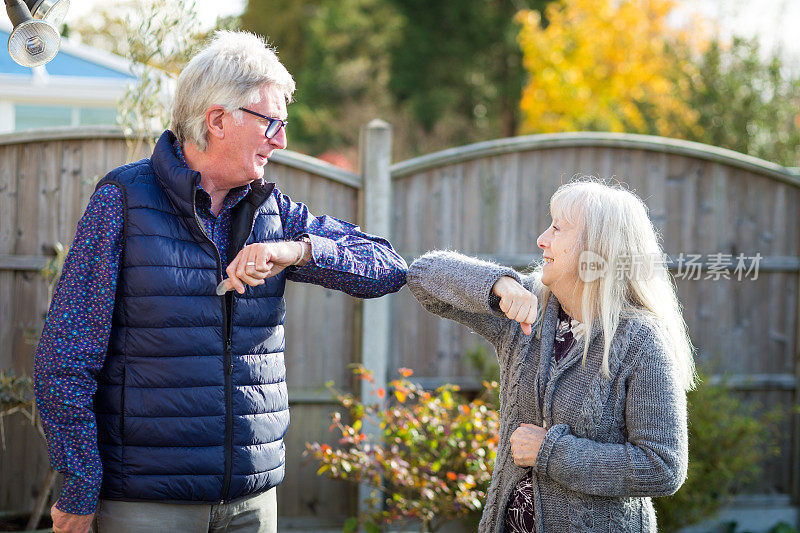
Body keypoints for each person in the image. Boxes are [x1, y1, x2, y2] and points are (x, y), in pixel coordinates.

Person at [33, 31, 407, 533]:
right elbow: (65, 357)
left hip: (252, 504)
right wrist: (79, 487)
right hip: (146, 506)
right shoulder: (121, 200)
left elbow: (387, 267)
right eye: (271, 123)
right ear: (217, 120)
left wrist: (293, 251)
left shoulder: (273, 212)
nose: (282, 140)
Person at [407, 179, 694, 532]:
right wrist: (498, 284)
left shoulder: (641, 341)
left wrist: (552, 453)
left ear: (596, 248)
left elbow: (662, 467)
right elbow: (422, 276)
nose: (542, 239)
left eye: (557, 228)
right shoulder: (526, 309)